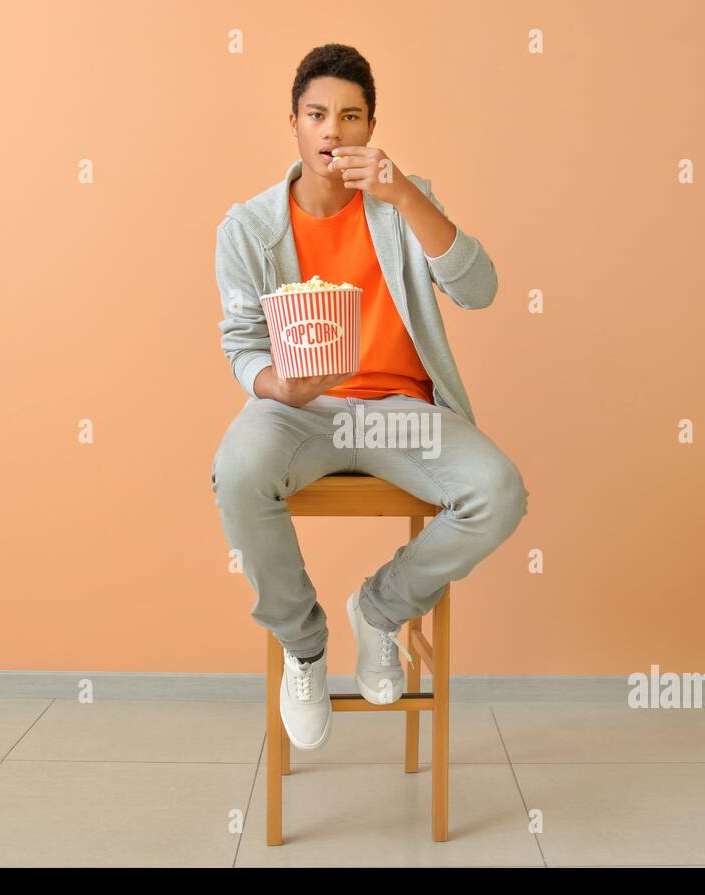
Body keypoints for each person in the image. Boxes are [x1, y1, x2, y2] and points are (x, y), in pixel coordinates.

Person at [211, 43, 528, 751]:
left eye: (351, 117)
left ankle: (381, 609)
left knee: (499, 492)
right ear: (293, 123)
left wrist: (405, 194)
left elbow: (480, 290)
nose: (334, 130)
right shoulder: (248, 228)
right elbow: (241, 343)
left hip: (401, 415)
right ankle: (306, 647)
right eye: (318, 114)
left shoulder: (402, 203)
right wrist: (276, 384)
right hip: (301, 412)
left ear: (371, 127)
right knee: (237, 470)